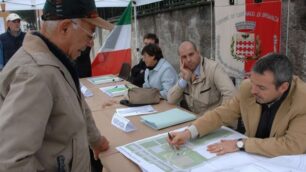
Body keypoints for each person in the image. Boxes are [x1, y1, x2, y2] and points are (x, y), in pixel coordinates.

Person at [0, 0, 114, 171]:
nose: (90, 43)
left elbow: (78, 105)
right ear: (65, 28)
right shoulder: (36, 74)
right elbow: (11, 161)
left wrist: (96, 141)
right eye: (90, 34)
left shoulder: (55, 60)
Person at [168, 53, 306, 157]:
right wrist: (189, 132)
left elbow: (292, 145)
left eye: (261, 88)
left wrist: (240, 144)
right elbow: (221, 114)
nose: (253, 91)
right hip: (250, 158)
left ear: (283, 87)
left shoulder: (302, 100)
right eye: (252, 82)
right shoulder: (248, 88)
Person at [167, 41, 235, 115]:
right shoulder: (184, 72)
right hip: (193, 120)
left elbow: (231, 94)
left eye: (191, 54)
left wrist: (218, 117)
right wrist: (184, 80)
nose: (188, 60)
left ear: (198, 52)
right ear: (180, 60)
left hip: (213, 120)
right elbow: (171, 100)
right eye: (184, 57)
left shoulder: (213, 68)